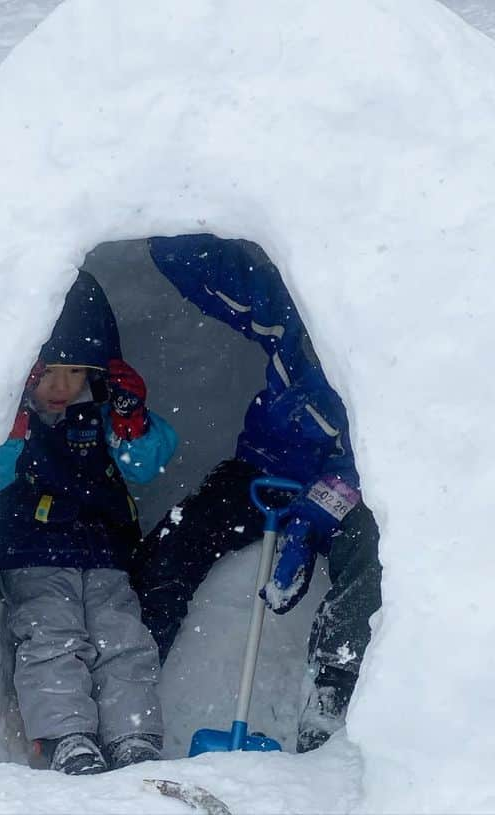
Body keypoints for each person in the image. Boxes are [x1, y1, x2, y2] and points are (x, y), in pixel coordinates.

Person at [130, 234, 382, 754]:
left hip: (353, 494)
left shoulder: (395, 357)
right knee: (176, 541)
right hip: (263, 470)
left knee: (370, 559)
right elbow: (225, 278)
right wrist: (166, 211)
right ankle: (127, 687)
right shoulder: (298, 315)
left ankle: (331, 700)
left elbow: (394, 452)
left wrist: (313, 517)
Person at [0, 271, 178, 775]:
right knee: (52, 635)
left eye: (75, 372)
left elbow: (144, 463)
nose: (62, 387)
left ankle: (133, 735)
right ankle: (67, 735)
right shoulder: (7, 418)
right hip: (32, 553)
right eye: (49, 372)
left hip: (106, 554)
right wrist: (14, 428)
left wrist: (131, 419)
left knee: (123, 639)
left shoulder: (103, 413)